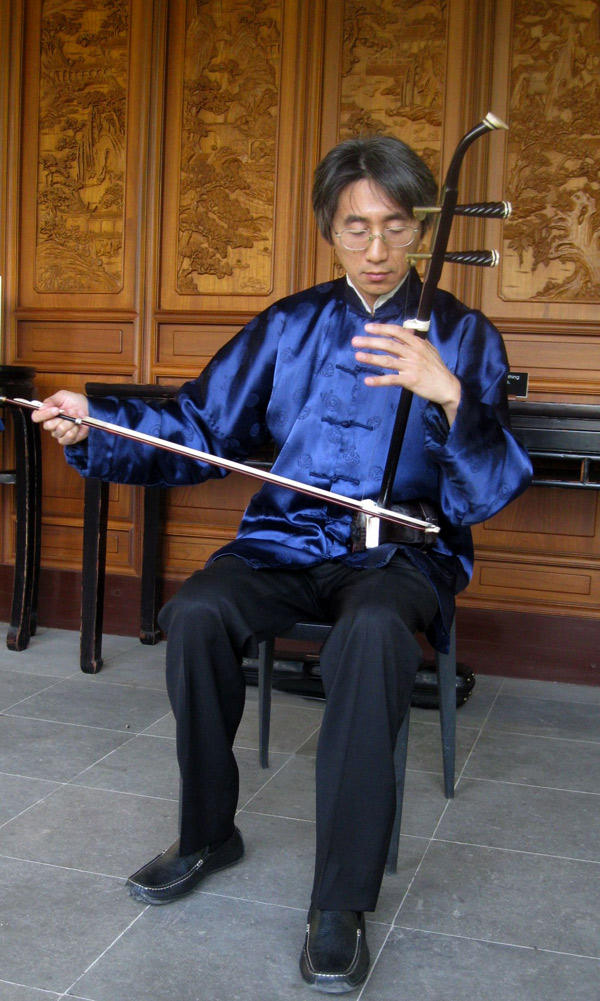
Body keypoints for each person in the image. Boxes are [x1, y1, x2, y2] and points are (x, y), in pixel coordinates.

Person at [33, 135, 532, 994]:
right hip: (287, 540)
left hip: (401, 553)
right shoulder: (291, 325)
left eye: (395, 229)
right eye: (355, 230)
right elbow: (196, 426)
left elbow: (487, 489)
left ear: (421, 230)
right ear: (329, 231)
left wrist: (448, 393)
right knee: (195, 610)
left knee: (374, 633)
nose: (376, 253)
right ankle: (204, 832)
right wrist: (98, 421)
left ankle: (340, 902)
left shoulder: (463, 333)